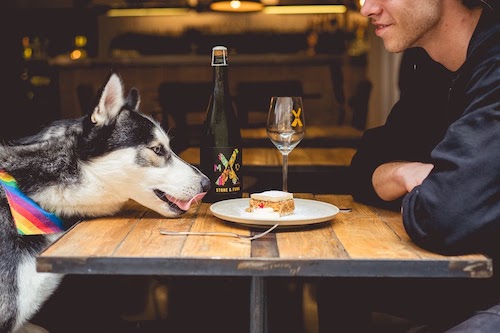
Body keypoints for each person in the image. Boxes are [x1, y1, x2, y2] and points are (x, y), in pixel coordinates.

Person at [318, 1, 499, 332]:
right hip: (479, 274)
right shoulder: (431, 66)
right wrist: (403, 174)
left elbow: (443, 215)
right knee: (338, 277)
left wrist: (431, 193)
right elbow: (363, 167)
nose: (366, 8)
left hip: (490, 284)